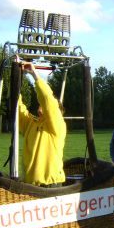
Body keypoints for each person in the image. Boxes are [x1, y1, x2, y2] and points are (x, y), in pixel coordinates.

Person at [17, 59, 66, 187]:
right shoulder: (32, 123)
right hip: (30, 184)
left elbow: (47, 99)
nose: (41, 104)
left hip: (50, 183)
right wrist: (17, 77)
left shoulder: (57, 125)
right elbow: (19, 110)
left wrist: (34, 74)